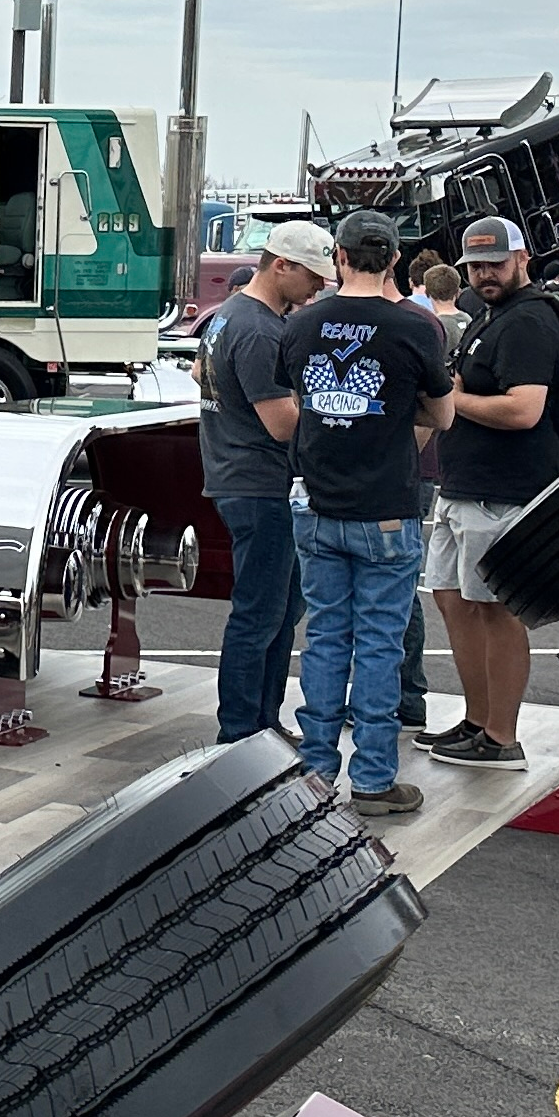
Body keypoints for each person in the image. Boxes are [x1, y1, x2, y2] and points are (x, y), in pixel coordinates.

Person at [258, 209, 454, 819]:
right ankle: (373, 778)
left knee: (324, 638)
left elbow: (292, 399)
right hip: (386, 508)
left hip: (317, 502)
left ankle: (316, 769)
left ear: (338, 257)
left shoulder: (302, 324)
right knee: (378, 643)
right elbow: (443, 416)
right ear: (394, 259)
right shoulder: (417, 328)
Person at [424, 215, 559, 770]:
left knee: (496, 610)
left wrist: (451, 399)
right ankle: (477, 720)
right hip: (468, 487)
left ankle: (501, 736)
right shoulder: (495, 316)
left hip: (504, 491)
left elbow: (524, 409)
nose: (485, 274)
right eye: (476, 266)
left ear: (522, 259)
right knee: (454, 599)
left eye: (495, 262)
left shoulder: (530, 320)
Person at [201, 220, 336, 744]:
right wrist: (336, 408)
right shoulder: (260, 330)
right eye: (312, 277)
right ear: (281, 265)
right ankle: (241, 732)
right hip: (260, 482)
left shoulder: (229, 315)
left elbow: (200, 377)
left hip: (236, 474)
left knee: (273, 612)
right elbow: (283, 423)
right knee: (262, 615)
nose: (319, 288)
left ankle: (258, 724)